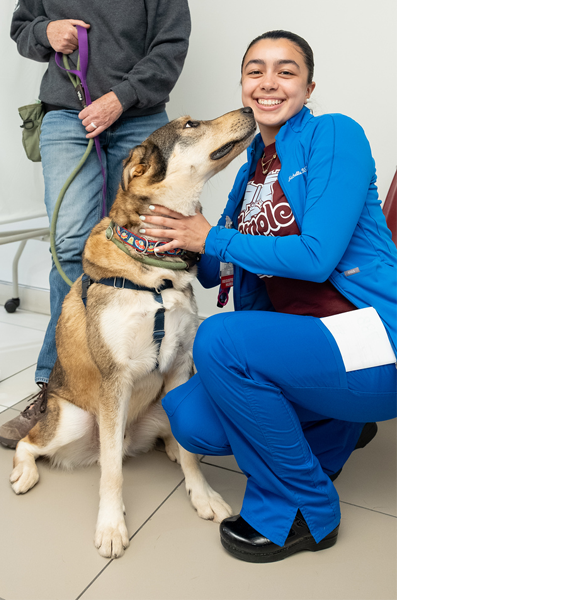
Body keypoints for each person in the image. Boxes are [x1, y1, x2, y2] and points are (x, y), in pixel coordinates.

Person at [138, 30, 397, 563]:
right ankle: (338, 424)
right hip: (310, 344)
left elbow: (318, 255)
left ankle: (303, 511)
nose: (268, 82)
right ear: (243, 84)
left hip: (374, 335)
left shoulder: (334, 135)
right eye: (255, 70)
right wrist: (167, 231)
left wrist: (210, 236)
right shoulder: (252, 164)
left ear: (309, 84)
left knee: (221, 340)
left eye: (286, 70)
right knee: (190, 417)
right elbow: (212, 269)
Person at [0, 0, 191, 448]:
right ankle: (55, 388)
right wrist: (46, 33)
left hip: (139, 117)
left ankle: (153, 390)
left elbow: (170, 48)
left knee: (152, 246)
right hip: (67, 117)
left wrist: (120, 98)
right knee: (70, 251)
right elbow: (22, 25)